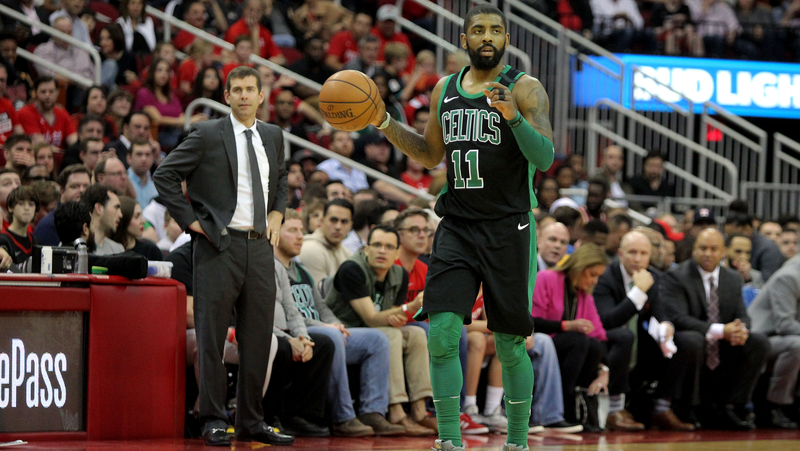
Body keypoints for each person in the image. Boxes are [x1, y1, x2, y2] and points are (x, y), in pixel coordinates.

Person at [366, 5, 555, 450]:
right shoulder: (444, 89)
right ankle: (448, 440)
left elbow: (545, 158)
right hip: (457, 225)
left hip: (509, 227)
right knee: (445, 333)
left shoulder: (524, 88)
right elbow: (431, 155)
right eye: (478, 30)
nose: (487, 36)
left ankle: (517, 441)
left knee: (510, 344)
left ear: (506, 38)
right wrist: (384, 123)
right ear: (464, 39)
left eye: (496, 30)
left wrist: (513, 117)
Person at [153, 66, 293, 447]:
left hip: (260, 247)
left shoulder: (273, 135)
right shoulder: (206, 133)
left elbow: (280, 180)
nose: (245, 96)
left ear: (262, 96)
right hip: (219, 244)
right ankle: (212, 417)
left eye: (251, 89)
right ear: (227, 96)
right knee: (212, 338)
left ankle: (251, 420)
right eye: (237, 90)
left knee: (258, 339)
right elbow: (165, 175)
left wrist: (278, 214)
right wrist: (191, 223)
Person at [274, 209, 404, 437]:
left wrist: (335, 323)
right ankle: (343, 416)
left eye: (301, 231)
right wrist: (326, 327)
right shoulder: (271, 269)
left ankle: (373, 412)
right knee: (332, 336)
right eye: (292, 231)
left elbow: (322, 307)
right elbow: (286, 313)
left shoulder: (301, 270)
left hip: (321, 328)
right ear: (275, 233)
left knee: (377, 340)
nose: (300, 236)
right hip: (297, 332)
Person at [324, 224, 435, 436]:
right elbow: (372, 318)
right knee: (389, 335)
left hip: (375, 331)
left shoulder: (399, 274)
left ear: (396, 254)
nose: (382, 251)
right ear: (366, 249)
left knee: (417, 334)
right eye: (376, 245)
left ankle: (419, 411)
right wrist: (408, 308)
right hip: (344, 332)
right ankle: (395, 411)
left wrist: (398, 314)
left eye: (388, 246)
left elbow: (395, 316)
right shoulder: (352, 269)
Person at [662, 228, 770, 430]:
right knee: (692, 339)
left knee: (759, 342)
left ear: (723, 252)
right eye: (703, 248)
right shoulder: (677, 276)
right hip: (692, 343)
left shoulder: (732, 278)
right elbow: (678, 318)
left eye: (714, 249)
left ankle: (730, 406)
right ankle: (688, 407)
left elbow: (742, 314)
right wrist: (721, 330)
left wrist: (741, 329)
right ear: (694, 250)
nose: (708, 253)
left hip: (722, 346)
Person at [593, 231, 698, 431]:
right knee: (625, 336)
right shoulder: (605, 276)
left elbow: (659, 312)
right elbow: (608, 321)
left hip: (635, 344)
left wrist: (666, 325)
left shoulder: (653, 276)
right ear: (620, 253)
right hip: (607, 340)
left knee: (684, 341)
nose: (638, 259)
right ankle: (614, 410)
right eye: (632, 252)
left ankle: (662, 407)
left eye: (643, 253)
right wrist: (638, 292)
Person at [531, 244, 608, 430]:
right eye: (592, 274)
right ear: (579, 268)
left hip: (570, 348)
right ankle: (564, 406)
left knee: (593, 346)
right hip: (540, 343)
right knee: (577, 340)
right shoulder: (547, 278)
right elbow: (532, 321)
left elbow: (599, 335)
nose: (595, 281)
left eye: (598, 276)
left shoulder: (584, 294)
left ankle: (580, 408)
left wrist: (604, 370)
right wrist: (566, 325)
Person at [747, 254, 800, 429]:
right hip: (761, 340)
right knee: (797, 346)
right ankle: (775, 406)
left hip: (784, 336)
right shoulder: (788, 277)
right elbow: (785, 325)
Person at [298, 198, 354, 284]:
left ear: (350, 225)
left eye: (344, 222)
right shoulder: (311, 249)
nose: (338, 227)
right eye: (333, 220)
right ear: (322, 221)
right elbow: (319, 295)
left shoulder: (347, 253)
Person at [18, 77, 77, 150]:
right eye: (43, 92)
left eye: (51, 91)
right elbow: (40, 146)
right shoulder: (26, 112)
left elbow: (74, 141)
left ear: (57, 92)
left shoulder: (62, 113)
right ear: (35, 93)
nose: (47, 95)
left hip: (60, 158)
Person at [111, 195, 162, 261]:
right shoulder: (110, 249)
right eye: (137, 216)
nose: (143, 221)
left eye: (141, 215)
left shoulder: (150, 250)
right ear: (123, 219)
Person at [81, 183, 125, 256]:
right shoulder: (75, 248)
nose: (120, 215)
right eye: (116, 207)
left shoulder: (118, 250)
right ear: (98, 208)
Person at [0, 185, 39, 266]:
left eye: (31, 204)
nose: (27, 208)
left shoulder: (33, 239)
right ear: (10, 207)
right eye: (21, 204)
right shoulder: (4, 240)